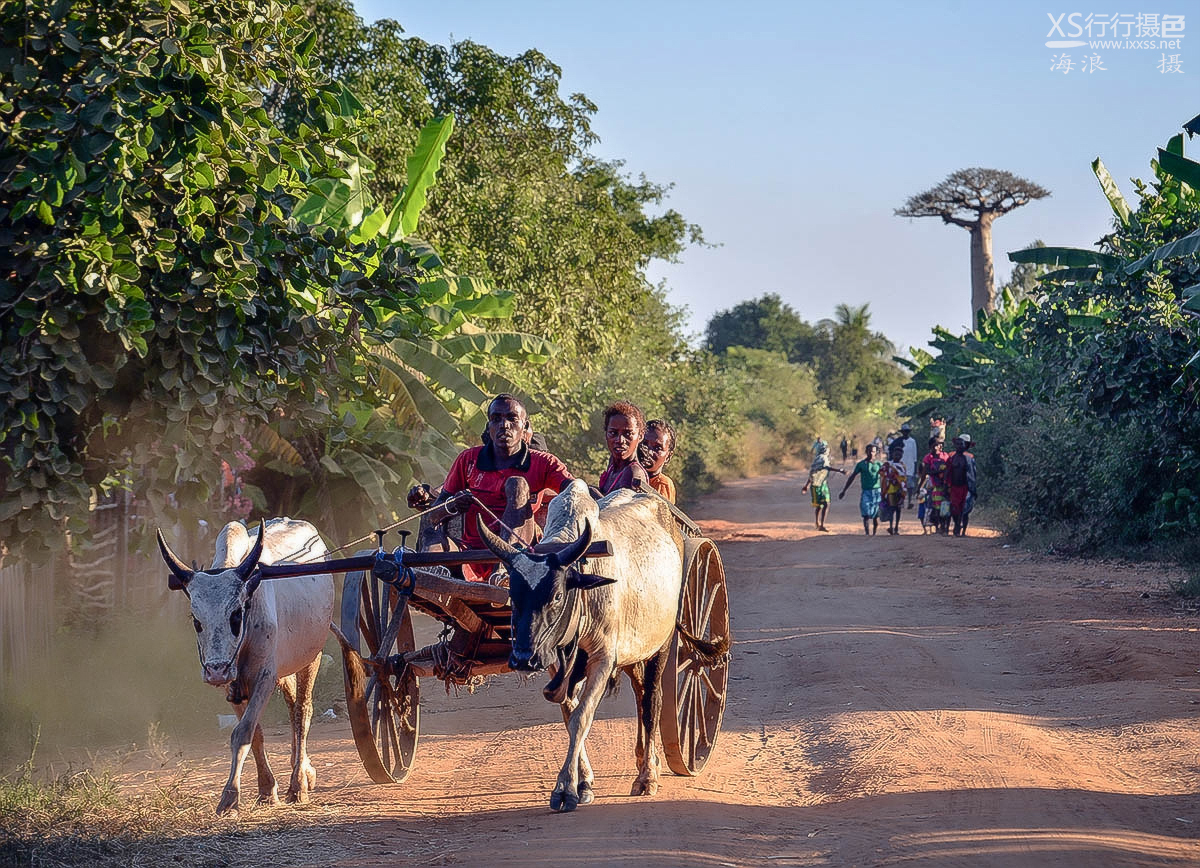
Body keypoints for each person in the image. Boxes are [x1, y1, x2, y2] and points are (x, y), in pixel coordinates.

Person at [407, 394, 574, 580]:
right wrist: (453, 505)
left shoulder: (544, 463)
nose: (504, 425)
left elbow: (574, 493)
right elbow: (433, 516)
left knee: (517, 484)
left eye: (512, 418)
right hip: (471, 553)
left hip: (522, 554)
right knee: (432, 536)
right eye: (496, 419)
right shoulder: (468, 459)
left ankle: (503, 571)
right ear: (489, 427)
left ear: (525, 427)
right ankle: (424, 577)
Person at [598, 400, 650, 495]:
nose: (620, 440)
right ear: (606, 434)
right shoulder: (613, 466)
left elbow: (618, 508)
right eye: (613, 433)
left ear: (640, 436)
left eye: (628, 434)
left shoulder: (633, 472)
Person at [800, 441, 846, 532]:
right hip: (818, 485)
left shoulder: (818, 459)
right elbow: (824, 468)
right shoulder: (822, 458)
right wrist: (839, 470)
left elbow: (813, 473)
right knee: (822, 504)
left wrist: (806, 485)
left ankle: (820, 524)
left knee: (824, 504)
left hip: (821, 484)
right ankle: (819, 524)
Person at [839, 442, 882, 535]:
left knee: (876, 514)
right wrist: (844, 490)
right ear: (866, 452)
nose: (871, 453)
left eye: (873, 451)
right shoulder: (861, 464)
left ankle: (874, 533)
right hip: (866, 491)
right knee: (865, 512)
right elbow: (852, 477)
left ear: (876, 453)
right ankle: (867, 533)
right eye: (869, 451)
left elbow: (886, 476)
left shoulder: (879, 464)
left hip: (877, 491)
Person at [917, 436, 951, 535]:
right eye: (936, 445)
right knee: (936, 508)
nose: (939, 447)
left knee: (946, 507)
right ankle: (938, 527)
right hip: (935, 486)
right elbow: (926, 472)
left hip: (946, 485)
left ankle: (945, 527)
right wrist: (919, 487)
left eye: (940, 444)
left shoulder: (945, 456)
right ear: (931, 446)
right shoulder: (928, 458)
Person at [946, 433, 978, 536]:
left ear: (965, 446)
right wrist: (945, 485)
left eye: (961, 444)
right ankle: (957, 525)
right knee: (955, 509)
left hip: (965, 487)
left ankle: (962, 530)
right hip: (954, 487)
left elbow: (973, 474)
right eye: (957, 444)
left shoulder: (969, 458)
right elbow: (948, 471)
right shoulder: (952, 457)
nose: (959, 446)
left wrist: (973, 489)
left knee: (964, 509)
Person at [638, 419, 678, 503]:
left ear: (668, 456)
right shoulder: (624, 473)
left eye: (657, 448)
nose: (649, 451)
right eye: (644, 443)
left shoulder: (662, 484)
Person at [880, 441, 908, 535]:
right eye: (896, 454)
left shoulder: (902, 466)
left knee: (898, 509)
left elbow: (904, 478)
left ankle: (896, 527)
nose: (898, 455)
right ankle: (891, 527)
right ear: (892, 454)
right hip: (891, 489)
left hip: (900, 490)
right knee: (892, 509)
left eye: (900, 454)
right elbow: (881, 473)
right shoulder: (888, 464)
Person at [892, 423, 919, 507]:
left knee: (910, 486)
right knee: (900, 485)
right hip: (900, 466)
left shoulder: (912, 441)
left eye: (906, 431)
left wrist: (915, 468)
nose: (905, 433)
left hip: (910, 466)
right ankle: (901, 501)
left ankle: (910, 501)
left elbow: (915, 456)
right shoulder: (898, 441)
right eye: (904, 432)